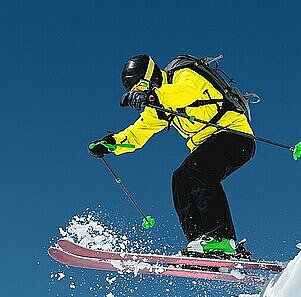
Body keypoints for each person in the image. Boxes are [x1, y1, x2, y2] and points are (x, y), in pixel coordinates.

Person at [88, 54, 255, 257]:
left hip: (235, 136)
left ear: (152, 75)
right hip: (210, 145)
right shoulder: (159, 107)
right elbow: (139, 132)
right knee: (180, 178)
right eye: (135, 90)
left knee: (196, 169)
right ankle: (200, 243)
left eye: (141, 85)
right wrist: (111, 144)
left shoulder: (183, 76)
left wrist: (151, 97)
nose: (139, 92)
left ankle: (221, 238)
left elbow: (186, 93)